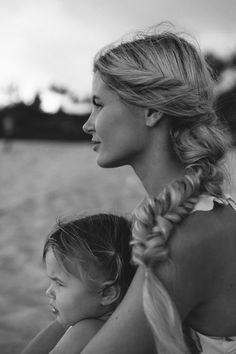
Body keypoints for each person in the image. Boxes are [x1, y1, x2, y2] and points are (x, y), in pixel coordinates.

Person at [23, 24, 236, 354]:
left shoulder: (184, 237)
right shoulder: (193, 212)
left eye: (99, 105)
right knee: (86, 322)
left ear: (151, 111)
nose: (87, 123)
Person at [22, 213, 136, 354]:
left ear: (107, 293)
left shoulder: (87, 331)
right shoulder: (129, 325)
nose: (49, 291)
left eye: (59, 283)